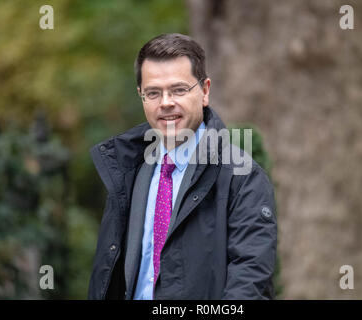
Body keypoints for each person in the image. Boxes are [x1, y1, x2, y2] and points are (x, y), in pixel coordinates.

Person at [87, 33, 277, 300]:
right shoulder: (128, 171)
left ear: (205, 91)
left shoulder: (242, 177)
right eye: (153, 92)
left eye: (178, 89)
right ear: (141, 96)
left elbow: (250, 282)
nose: (166, 102)